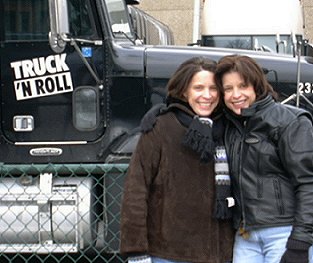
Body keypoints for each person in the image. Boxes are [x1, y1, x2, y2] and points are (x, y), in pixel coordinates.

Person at [120, 57, 234, 263]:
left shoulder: (229, 129)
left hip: (220, 253)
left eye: (213, 88)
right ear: (184, 91)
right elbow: (136, 190)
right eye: (198, 88)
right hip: (168, 254)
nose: (206, 95)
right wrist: (136, 251)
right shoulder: (161, 127)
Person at [214, 54, 313, 263]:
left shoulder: (290, 121)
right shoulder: (229, 126)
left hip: (284, 232)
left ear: (257, 86)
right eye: (228, 89)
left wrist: (300, 242)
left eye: (243, 86)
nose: (236, 94)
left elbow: (308, 183)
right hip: (245, 234)